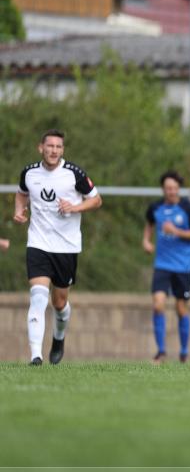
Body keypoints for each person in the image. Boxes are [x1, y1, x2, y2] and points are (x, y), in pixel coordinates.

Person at [15, 130, 102, 365]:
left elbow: (96, 200)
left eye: (58, 147)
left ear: (62, 150)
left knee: (59, 303)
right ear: (40, 148)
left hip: (66, 247)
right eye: (50, 146)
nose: (53, 150)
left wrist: (74, 208)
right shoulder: (29, 172)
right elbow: (22, 193)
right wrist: (18, 210)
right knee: (38, 296)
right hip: (38, 243)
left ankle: (59, 338)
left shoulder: (75, 174)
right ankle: (36, 355)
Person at [143, 170, 190, 363]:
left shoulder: (188, 208)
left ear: (179, 189)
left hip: (183, 267)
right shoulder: (155, 208)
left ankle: (184, 352)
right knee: (158, 305)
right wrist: (146, 241)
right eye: (168, 188)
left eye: (175, 188)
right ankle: (160, 351)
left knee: (180, 308)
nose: (172, 191)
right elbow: (149, 224)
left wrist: (175, 231)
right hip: (162, 265)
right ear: (163, 189)